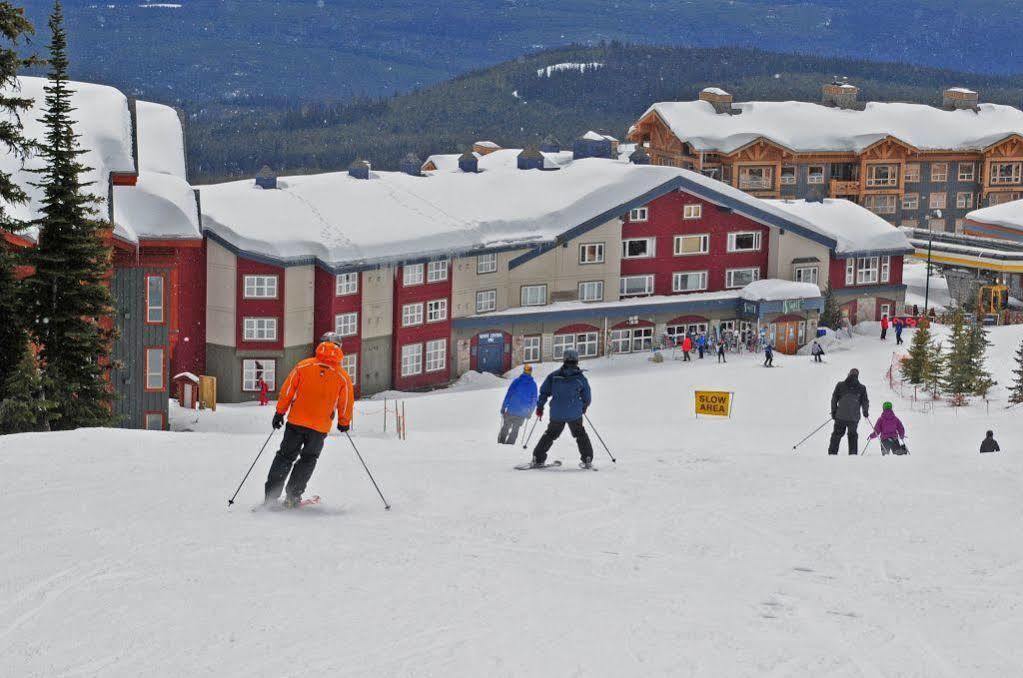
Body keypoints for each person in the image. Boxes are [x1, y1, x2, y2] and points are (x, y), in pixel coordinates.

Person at [264, 334, 355, 508]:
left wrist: (279, 412)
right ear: (340, 348)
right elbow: (346, 402)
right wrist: (344, 421)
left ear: (320, 345)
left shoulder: (304, 366)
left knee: (284, 457)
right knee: (308, 460)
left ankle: (271, 496)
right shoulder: (342, 376)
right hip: (319, 428)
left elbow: (288, 390)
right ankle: (293, 496)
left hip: (296, 422)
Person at [531, 348, 594, 468]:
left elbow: (544, 393)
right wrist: (583, 407)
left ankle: (538, 457)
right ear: (577, 361)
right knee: (580, 434)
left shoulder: (554, 376)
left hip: (557, 413)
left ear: (564, 360)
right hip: (574, 412)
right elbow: (587, 397)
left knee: (550, 434)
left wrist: (540, 407)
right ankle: (587, 458)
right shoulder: (580, 378)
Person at [829, 368, 869, 455]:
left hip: (840, 417)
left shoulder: (840, 385)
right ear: (857, 376)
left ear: (849, 374)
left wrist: (834, 412)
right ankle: (853, 454)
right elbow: (865, 401)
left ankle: (832, 453)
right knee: (852, 435)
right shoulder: (862, 388)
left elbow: (834, 399)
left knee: (837, 434)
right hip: (853, 418)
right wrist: (865, 412)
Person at [498, 364, 537, 445]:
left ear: (523, 371)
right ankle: (509, 445)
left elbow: (509, 394)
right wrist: (529, 413)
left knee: (506, 427)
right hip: (522, 412)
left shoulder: (516, 381)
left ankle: (501, 443)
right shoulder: (533, 385)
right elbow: (534, 401)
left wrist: (504, 406)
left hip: (511, 409)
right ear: (530, 372)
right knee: (515, 430)